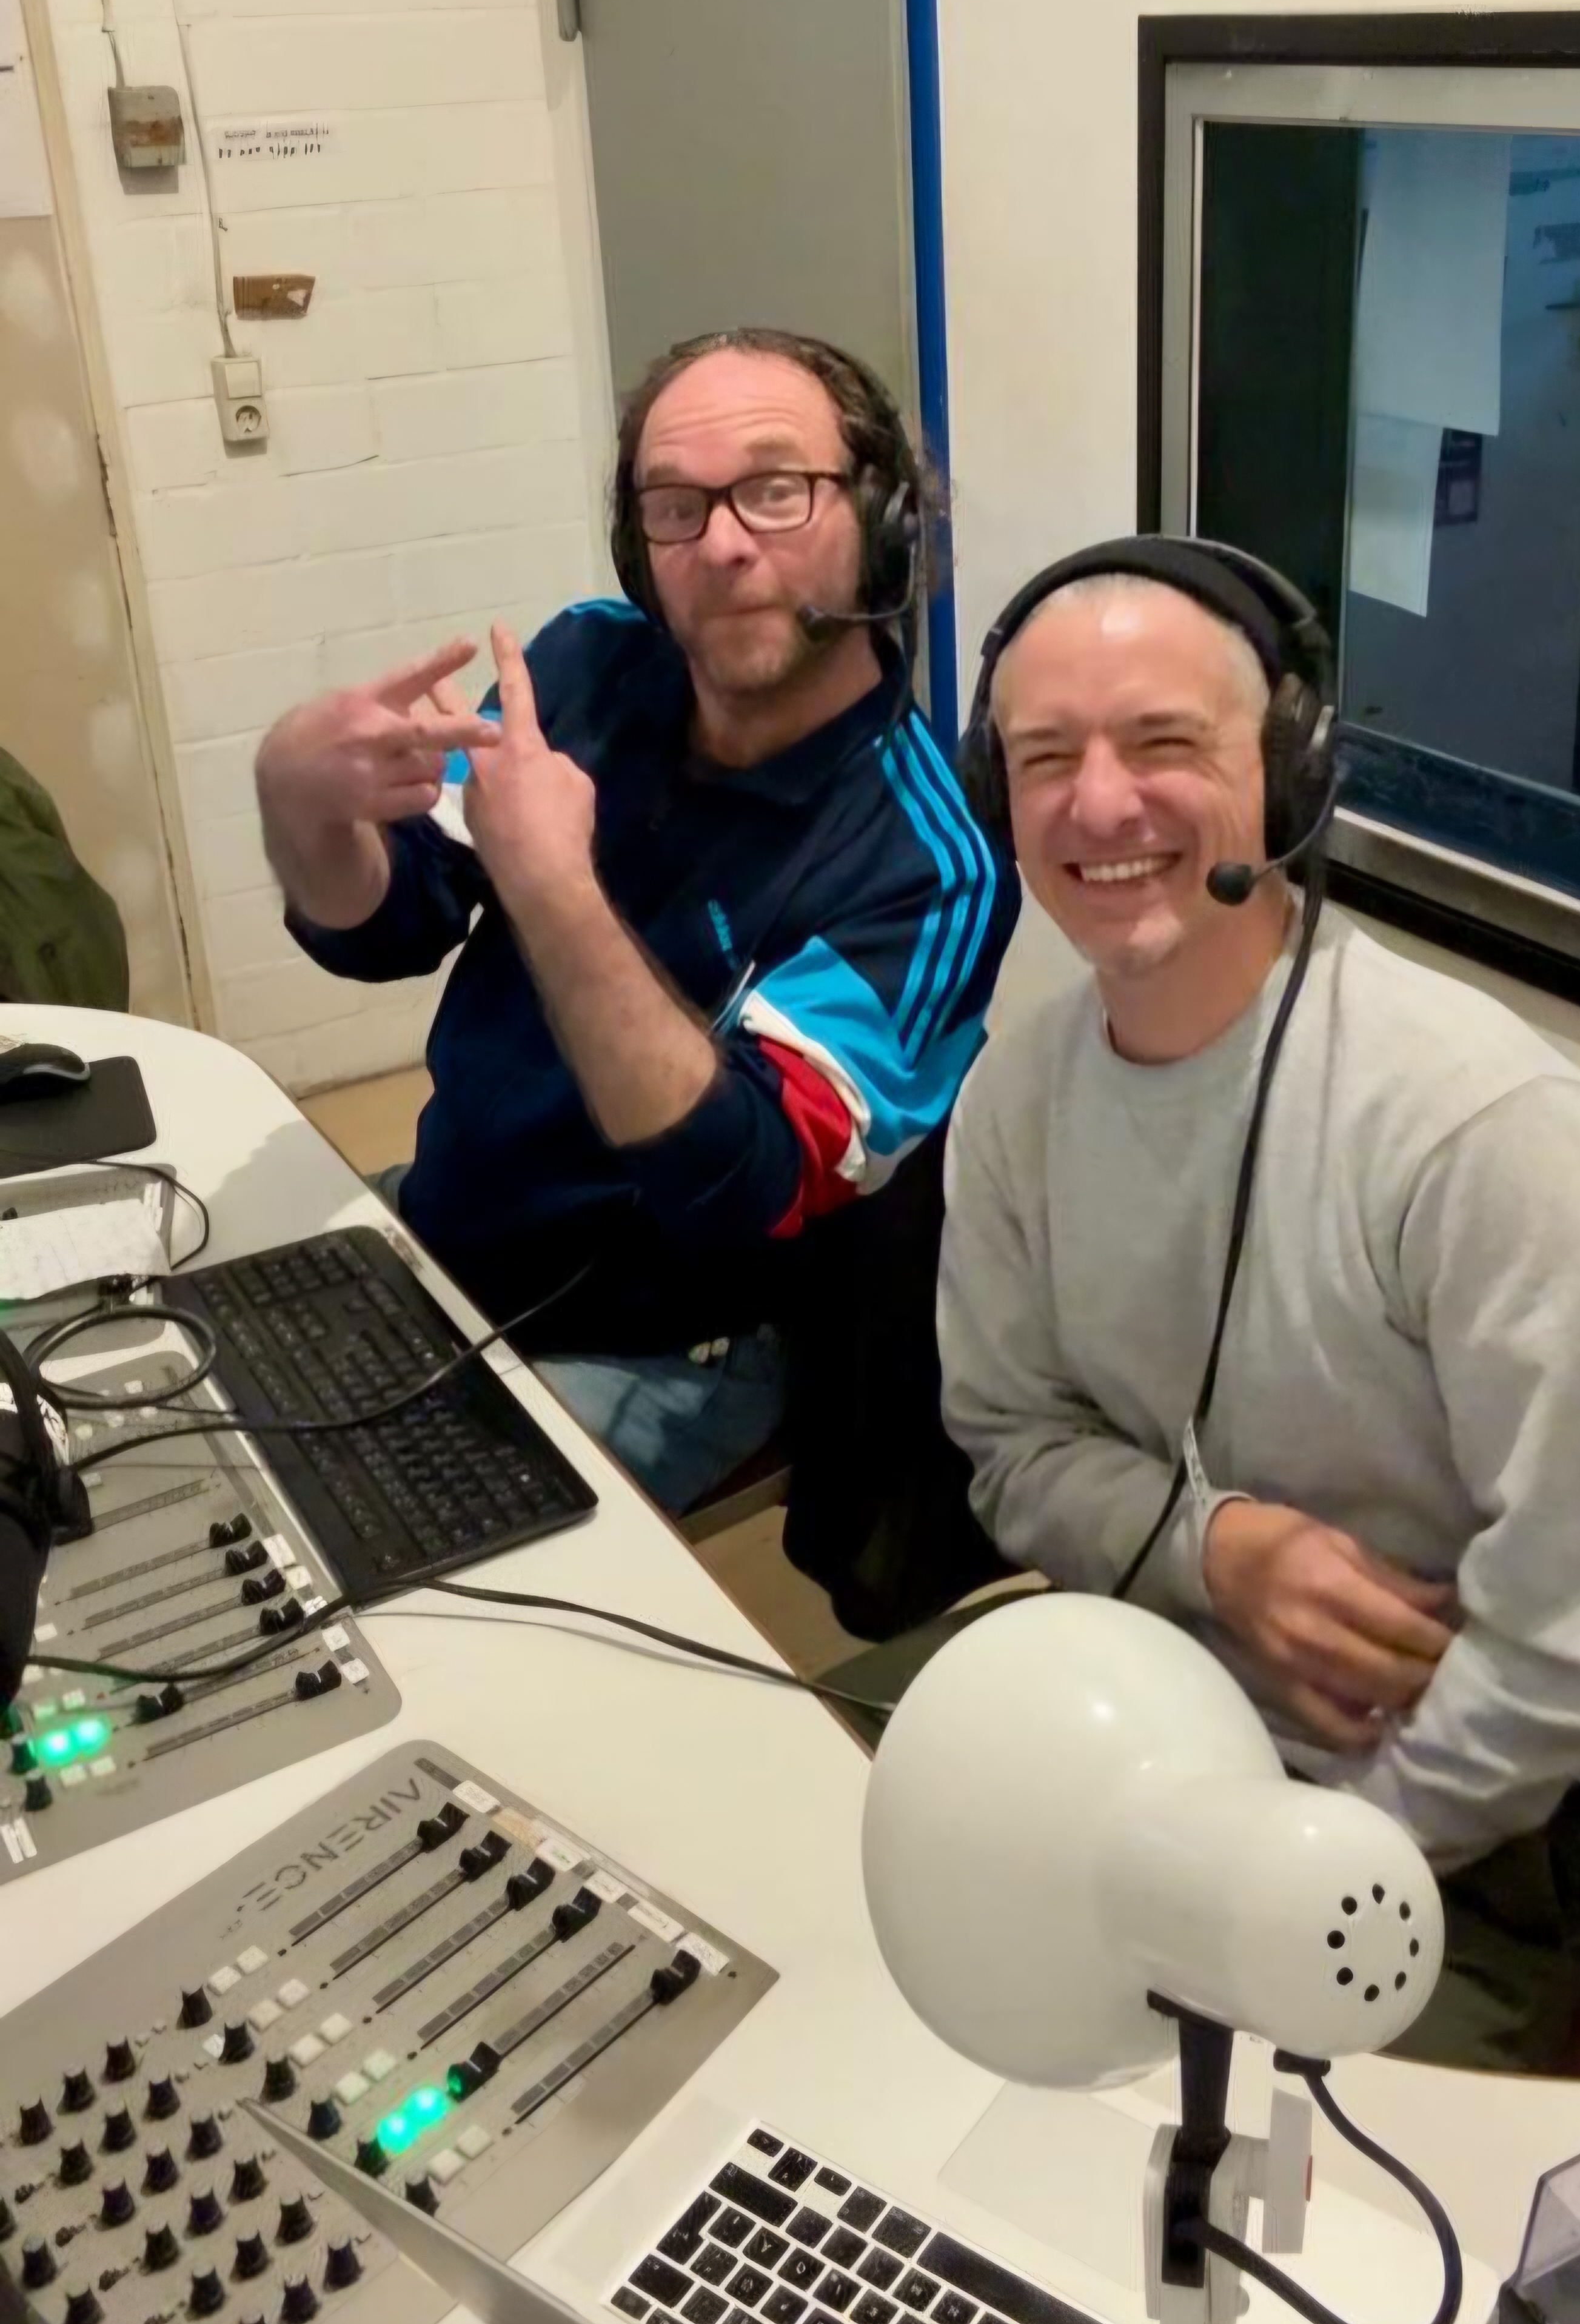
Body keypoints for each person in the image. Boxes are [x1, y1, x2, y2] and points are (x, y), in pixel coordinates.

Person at [937, 535, 1580, 2071]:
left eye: (1165, 744)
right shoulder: (1018, 1097)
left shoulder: (1483, 1128)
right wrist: (1215, 1549)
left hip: (1483, 1811)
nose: (1101, 805)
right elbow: (1011, 1441)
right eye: (1047, 759)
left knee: (1205, 2173)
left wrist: (1321, 1870)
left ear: (1289, 774)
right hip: (1171, 1705)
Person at [255, 328, 1016, 1513]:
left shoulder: (934, 868)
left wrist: (558, 889)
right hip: (453, 1222)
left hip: (662, 1343)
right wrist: (301, 805)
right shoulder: (586, 662)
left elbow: (740, 1187)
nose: (722, 544)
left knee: (383, 1557)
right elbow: (390, 921)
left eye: (776, 490)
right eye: (675, 506)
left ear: (885, 521)